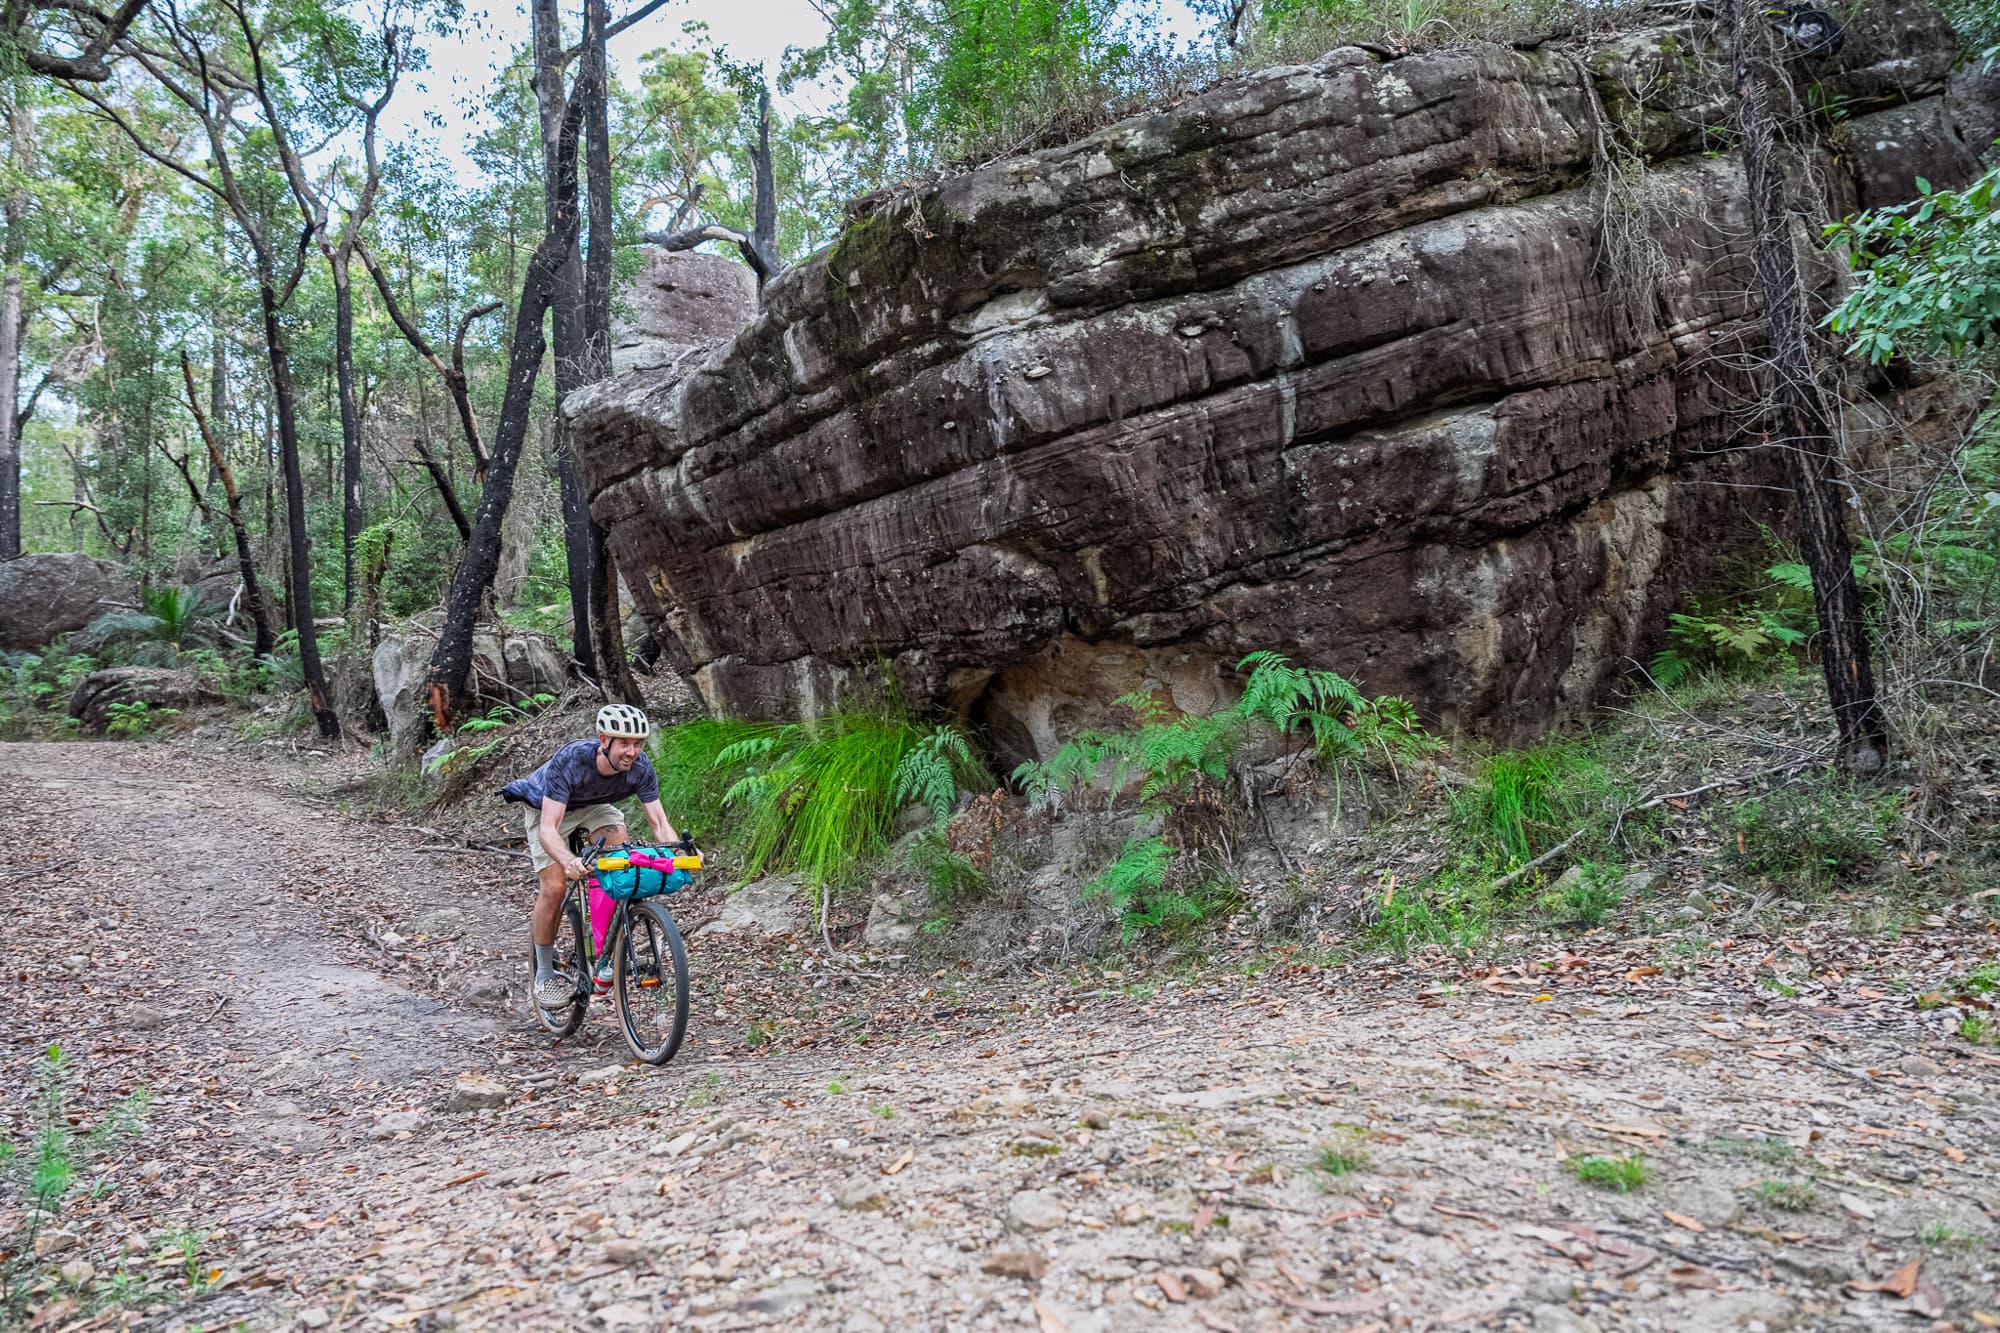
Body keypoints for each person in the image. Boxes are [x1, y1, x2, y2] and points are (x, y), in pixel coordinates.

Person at [502, 703, 681, 1008]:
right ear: (603, 741)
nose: (631, 752)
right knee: (555, 887)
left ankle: (604, 948)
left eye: (637, 744)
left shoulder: (641, 768)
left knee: (621, 860)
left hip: (596, 808)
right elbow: (549, 829)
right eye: (624, 743)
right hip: (549, 808)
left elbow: (659, 823)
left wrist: (680, 853)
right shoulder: (572, 760)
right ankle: (544, 971)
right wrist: (567, 859)